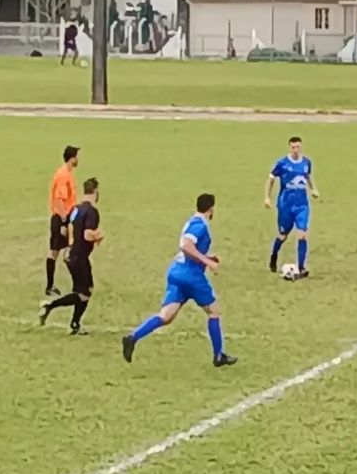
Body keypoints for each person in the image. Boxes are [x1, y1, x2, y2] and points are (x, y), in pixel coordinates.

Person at [122, 193, 237, 368]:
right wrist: (207, 262)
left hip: (176, 272)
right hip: (191, 276)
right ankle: (218, 355)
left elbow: (189, 247)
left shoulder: (192, 221)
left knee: (166, 316)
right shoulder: (200, 225)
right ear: (211, 209)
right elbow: (185, 246)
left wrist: (207, 256)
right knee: (214, 311)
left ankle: (133, 337)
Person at [39, 177, 103, 335]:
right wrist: (99, 235)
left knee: (83, 291)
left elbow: (66, 229)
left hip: (71, 254)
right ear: (95, 192)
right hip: (79, 257)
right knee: (84, 293)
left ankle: (75, 324)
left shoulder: (75, 209)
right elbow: (88, 235)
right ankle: (50, 306)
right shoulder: (92, 212)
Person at [265, 136, 319, 277]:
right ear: (290, 147)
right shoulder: (282, 163)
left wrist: (313, 189)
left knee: (302, 235)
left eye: (298, 147)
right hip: (285, 206)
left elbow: (306, 176)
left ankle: (301, 268)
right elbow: (271, 178)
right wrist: (267, 197)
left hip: (302, 205)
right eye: (293, 147)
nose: (296, 150)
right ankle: (274, 255)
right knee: (283, 236)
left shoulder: (306, 162)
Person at [46, 146, 79, 296]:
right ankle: (73, 285)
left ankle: (51, 285)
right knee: (66, 251)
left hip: (62, 217)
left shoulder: (67, 173)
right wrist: (64, 221)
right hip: (61, 218)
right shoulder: (63, 175)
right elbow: (59, 200)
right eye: (77, 156)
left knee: (60, 251)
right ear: (72, 158)